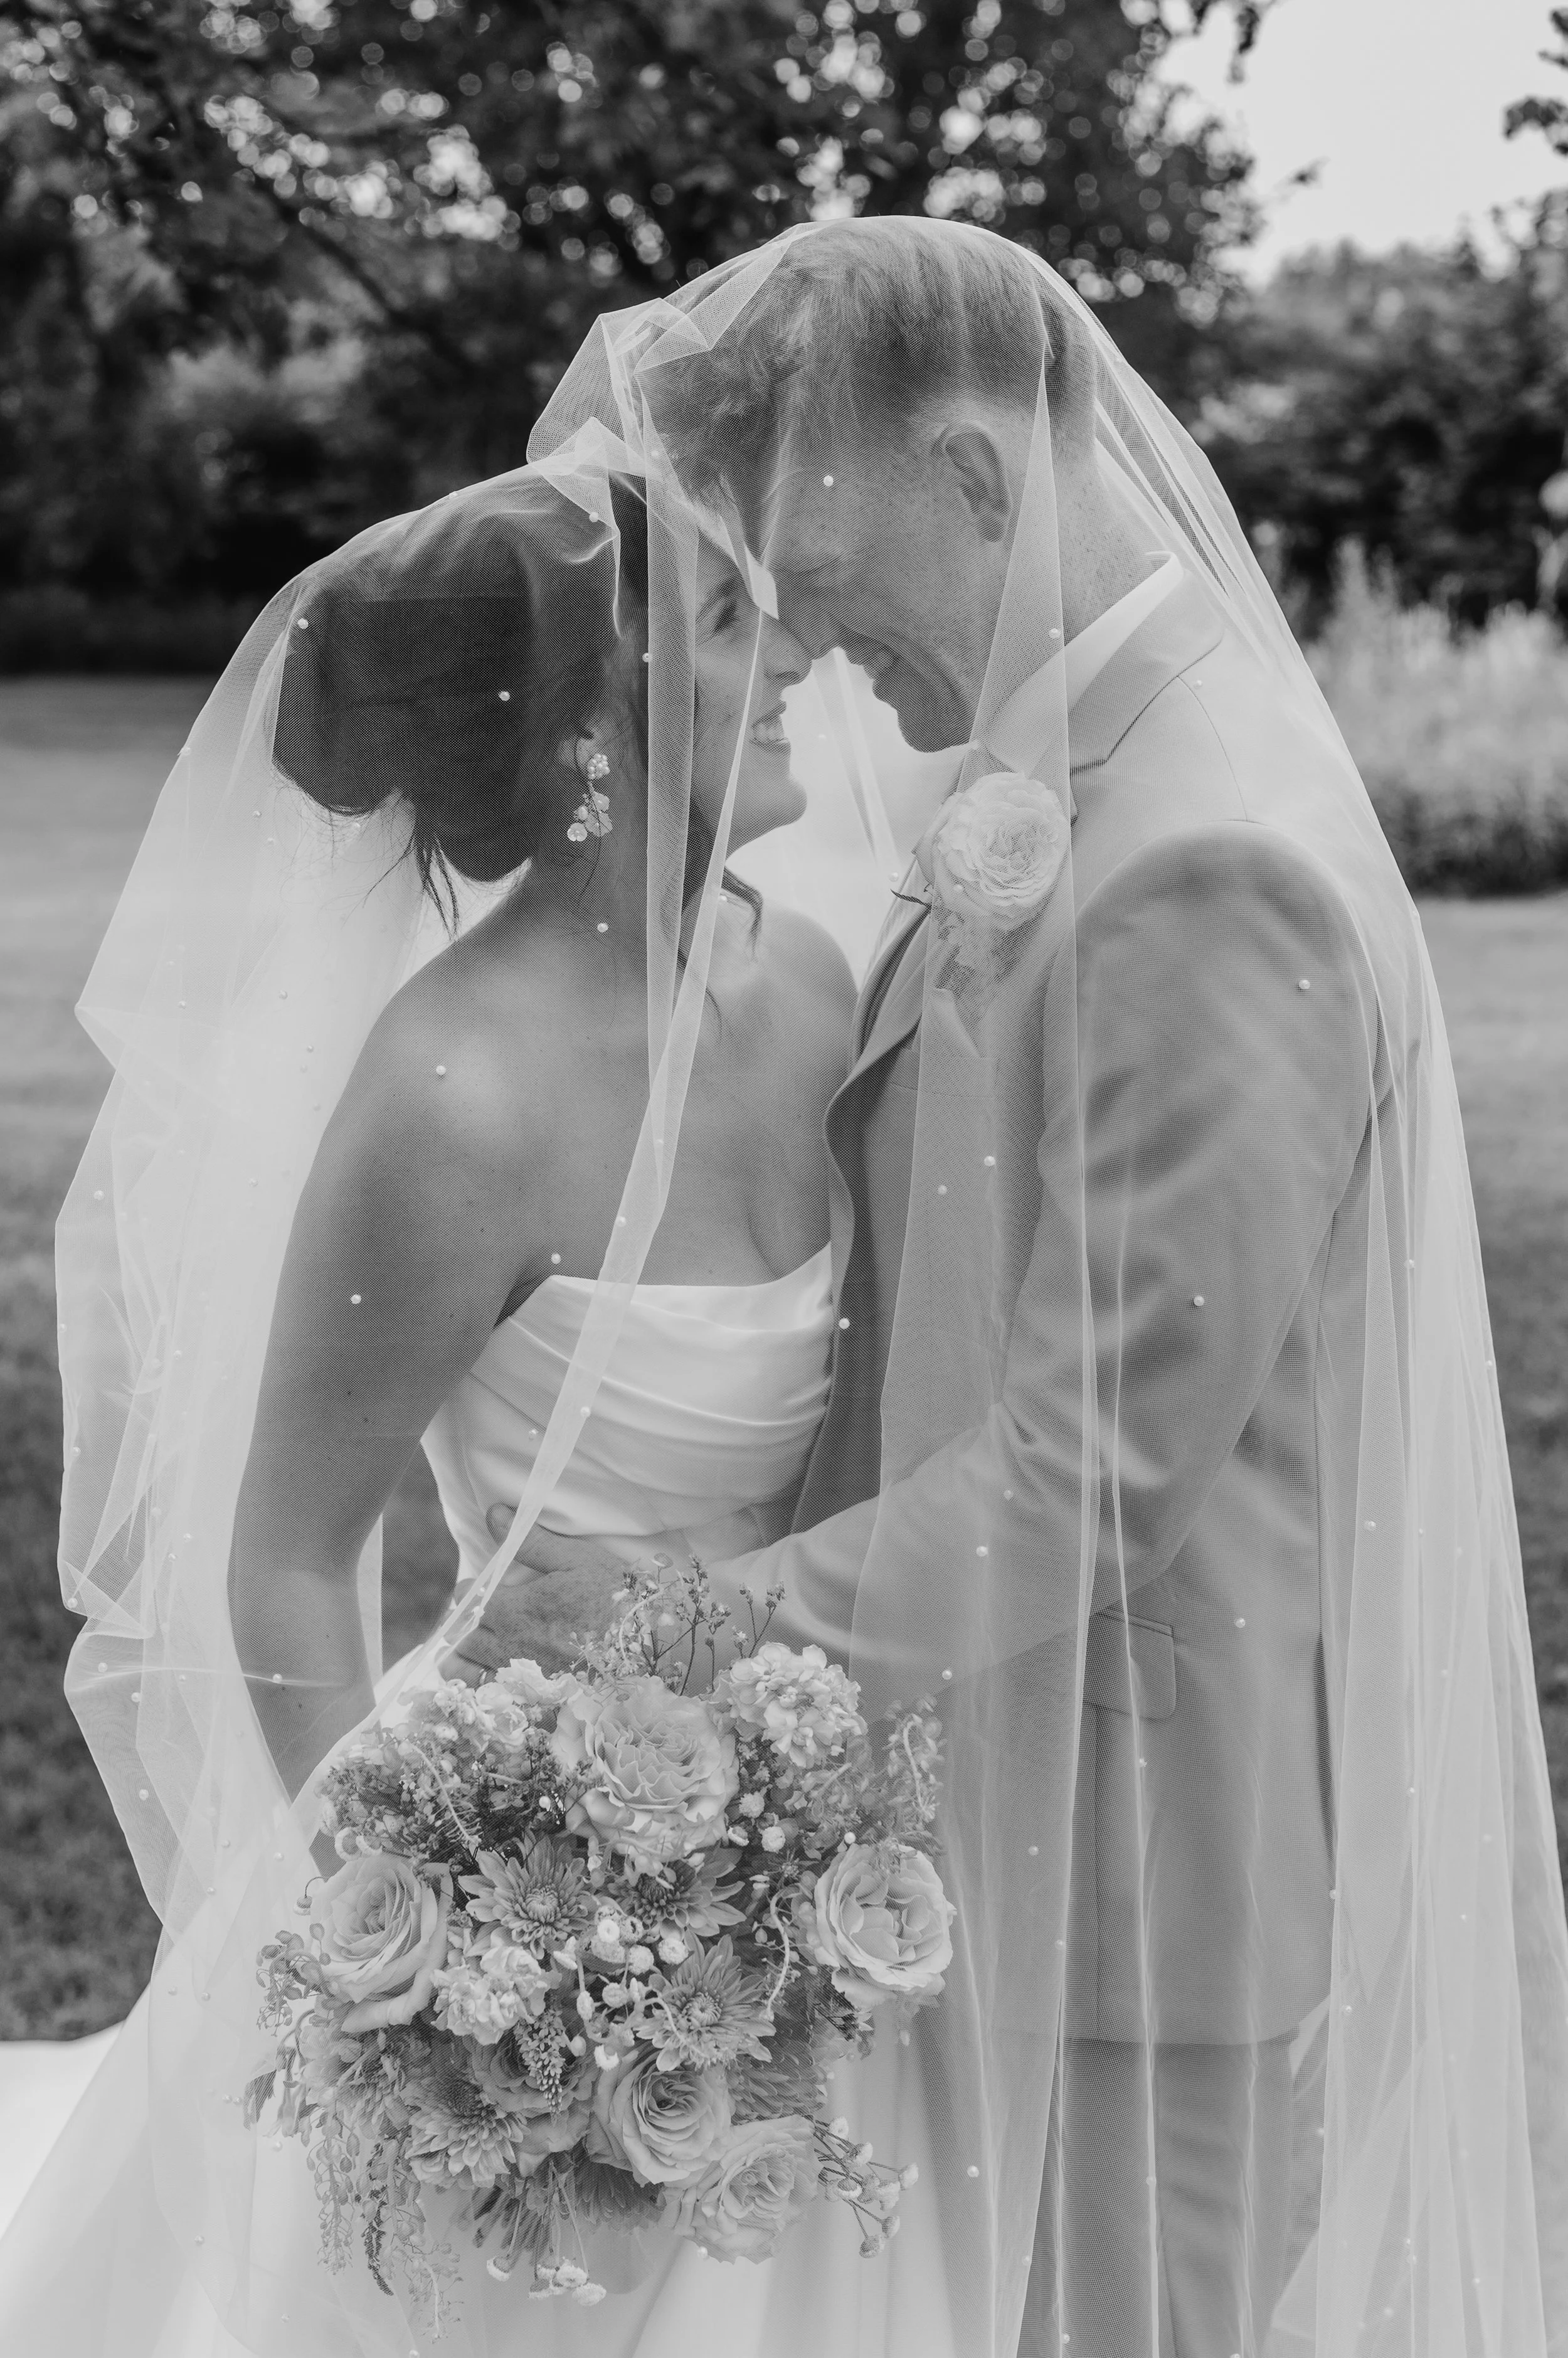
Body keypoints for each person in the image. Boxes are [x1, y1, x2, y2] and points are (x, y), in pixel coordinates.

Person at [471, 220, 1568, 2358]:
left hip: (1141, 1891)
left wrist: (668, 1641)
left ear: (970, 467)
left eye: (820, 547)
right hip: (968, 1808)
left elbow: (1091, 1467)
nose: (808, 634)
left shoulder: (1209, 861)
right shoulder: (1063, 779)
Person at [0, 455, 943, 2355]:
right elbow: (273, 1562)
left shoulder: (802, 987)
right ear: (577, 705)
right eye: (732, 622)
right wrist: (441, 1964)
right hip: (525, 1878)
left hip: (804, 1862)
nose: (794, 667)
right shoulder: (472, 1086)